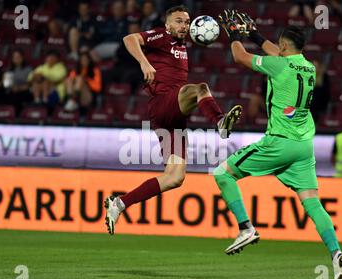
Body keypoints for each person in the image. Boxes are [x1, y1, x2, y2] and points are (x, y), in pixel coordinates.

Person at [215, 11, 342, 279]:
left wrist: (236, 35)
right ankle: (336, 254)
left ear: (284, 48)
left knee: (222, 174)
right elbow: (278, 53)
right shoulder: (308, 67)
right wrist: (256, 36)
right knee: (312, 203)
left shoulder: (278, 66)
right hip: (303, 146)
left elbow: (240, 58)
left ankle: (245, 227)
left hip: (279, 142)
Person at [104, 5, 243, 237]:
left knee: (175, 177)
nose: (184, 26)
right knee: (200, 88)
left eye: (187, 22)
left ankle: (119, 204)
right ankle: (220, 121)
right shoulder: (161, 35)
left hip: (171, 118)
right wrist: (143, 62)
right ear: (167, 24)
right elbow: (129, 38)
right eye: (179, 21)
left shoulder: (181, 44)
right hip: (163, 104)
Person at [102, 22, 144, 95]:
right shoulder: (125, 41)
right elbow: (118, 54)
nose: (133, 31)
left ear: (139, 30)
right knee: (106, 73)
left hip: (136, 69)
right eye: (131, 29)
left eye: (135, 29)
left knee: (130, 75)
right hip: (123, 67)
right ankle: (103, 98)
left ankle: (127, 100)